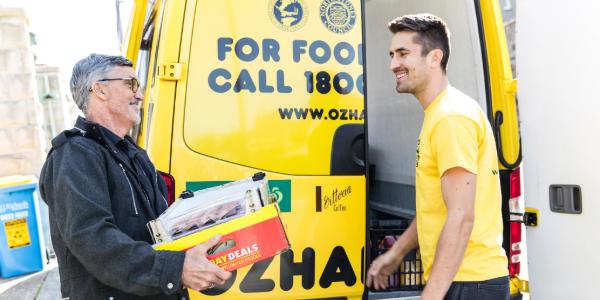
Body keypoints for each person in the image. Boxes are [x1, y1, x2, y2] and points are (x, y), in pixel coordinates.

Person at [39, 54, 231, 299]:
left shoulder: (134, 154)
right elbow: (92, 239)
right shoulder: (74, 154)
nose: (139, 94)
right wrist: (175, 269)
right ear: (100, 90)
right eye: (131, 84)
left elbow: (161, 230)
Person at [366, 14, 509, 299]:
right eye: (392, 54)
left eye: (403, 54)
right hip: (464, 280)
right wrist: (396, 253)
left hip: (469, 282)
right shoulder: (440, 114)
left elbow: (460, 216)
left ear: (434, 58)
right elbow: (438, 207)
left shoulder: (450, 117)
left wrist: (431, 296)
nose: (394, 64)